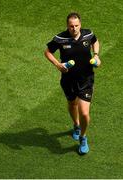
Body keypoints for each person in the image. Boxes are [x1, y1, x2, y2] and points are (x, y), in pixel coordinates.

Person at [44, 12, 101, 154]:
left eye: (76, 26)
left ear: (80, 25)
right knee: (72, 104)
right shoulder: (60, 38)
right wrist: (58, 65)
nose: (74, 28)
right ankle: (76, 125)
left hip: (86, 79)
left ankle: (83, 137)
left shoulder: (88, 34)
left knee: (84, 113)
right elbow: (47, 52)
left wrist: (96, 56)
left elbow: (95, 41)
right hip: (68, 80)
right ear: (67, 26)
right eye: (71, 26)